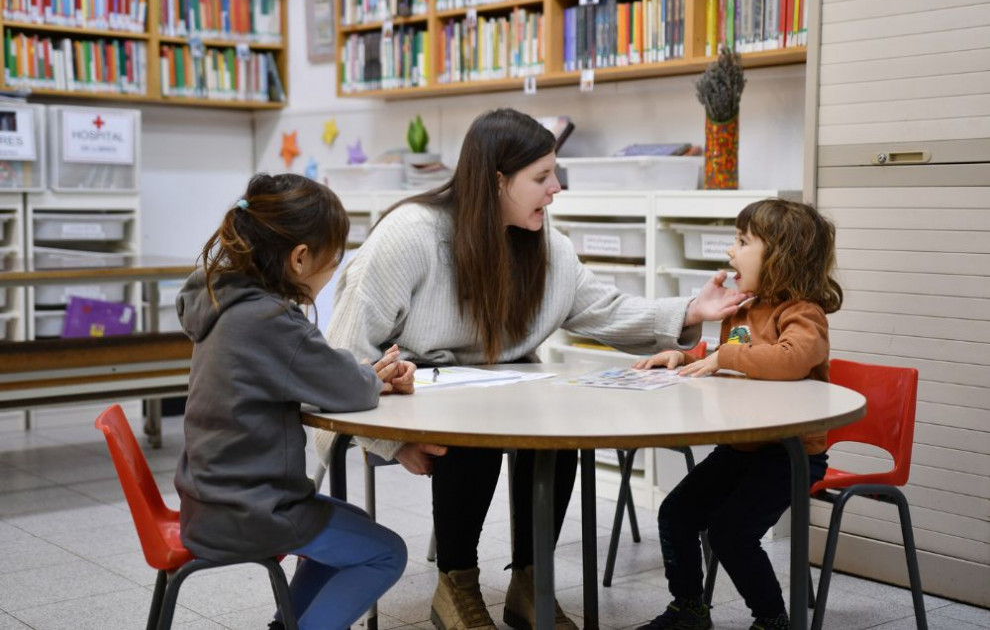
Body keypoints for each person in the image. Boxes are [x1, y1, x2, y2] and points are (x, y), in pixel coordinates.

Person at [325, 108, 751, 630]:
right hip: (417, 404)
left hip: (505, 392)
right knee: (469, 431)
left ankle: (532, 582)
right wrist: (394, 441)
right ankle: (455, 585)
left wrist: (692, 311)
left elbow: (606, 310)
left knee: (553, 429)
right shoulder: (410, 236)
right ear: (497, 181)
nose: (556, 189)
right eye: (542, 177)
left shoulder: (547, 246)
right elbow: (343, 355)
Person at [173, 173, 416, 630]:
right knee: (386, 553)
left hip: (211, 501)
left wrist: (358, 374)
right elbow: (348, 389)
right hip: (254, 511)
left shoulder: (225, 302)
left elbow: (315, 369)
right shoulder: (268, 317)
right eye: (333, 263)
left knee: (352, 523)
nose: (331, 274)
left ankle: (287, 624)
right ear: (301, 259)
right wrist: (371, 377)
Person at [631, 198, 843, 630]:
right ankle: (688, 608)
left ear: (782, 255)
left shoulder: (803, 314)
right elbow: (721, 355)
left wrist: (726, 355)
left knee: (731, 532)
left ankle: (771, 620)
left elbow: (791, 358)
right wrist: (682, 354)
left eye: (743, 241)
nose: (731, 251)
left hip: (789, 454)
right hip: (742, 448)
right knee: (676, 513)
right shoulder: (744, 306)